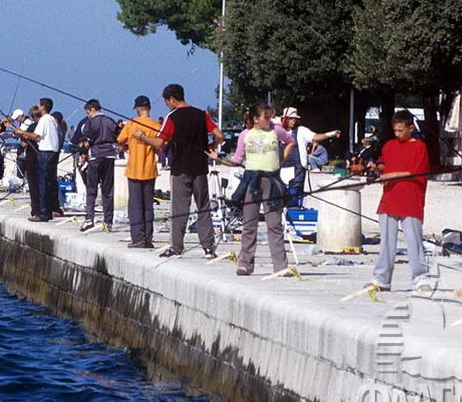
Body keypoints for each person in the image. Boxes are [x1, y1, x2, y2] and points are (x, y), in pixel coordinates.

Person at [208, 103, 294, 276]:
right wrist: (219, 159)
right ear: (256, 119)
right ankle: (245, 264)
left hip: (272, 181)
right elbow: (238, 160)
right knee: (249, 224)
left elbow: (290, 141)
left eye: (270, 117)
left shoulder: (276, 130)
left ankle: (280, 266)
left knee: (274, 225)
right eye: (266, 117)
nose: (270, 120)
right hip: (251, 181)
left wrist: (281, 160)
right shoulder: (245, 135)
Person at [132, 83, 216, 259]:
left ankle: (176, 247)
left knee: (179, 209)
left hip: (180, 169)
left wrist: (143, 137)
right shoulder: (201, 114)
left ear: (172, 99)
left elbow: (159, 142)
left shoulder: (172, 117)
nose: (167, 105)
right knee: (203, 207)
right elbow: (220, 135)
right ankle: (209, 248)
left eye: (166, 102)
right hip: (200, 167)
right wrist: (212, 146)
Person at [365, 109, 432, 293]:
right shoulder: (389, 145)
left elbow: (412, 173)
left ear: (411, 128)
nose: (397, 134)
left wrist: (388, 175)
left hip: (411, 200)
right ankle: (381, 280)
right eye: (395, 130)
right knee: (386, 242)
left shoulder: (419, 147)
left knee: (414, 241)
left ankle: (420, 277)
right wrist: (376, 167)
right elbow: (384, 164)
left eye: (401, 130)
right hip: (389, 199)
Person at [116, 95, 160, 248]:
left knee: (135, 207)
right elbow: (160, 146)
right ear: (149, 108)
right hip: (150, 169)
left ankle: (138, 238)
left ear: (138, 109)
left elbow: (120, 143)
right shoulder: (156, 125)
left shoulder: (131, 124)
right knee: (148, 206)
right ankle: (148, 238)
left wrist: (128, 146)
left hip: (134, 169)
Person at [279, 107, 341, 207]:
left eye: (295, 119)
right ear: (285, 119)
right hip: (281, 168)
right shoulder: (278, 131)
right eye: (290, 118)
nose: (293, 121)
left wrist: (330, 134)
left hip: (297, 169)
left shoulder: (301, 131)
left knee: (294, 195)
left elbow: (316, 137)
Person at [13, 98, 59, 222]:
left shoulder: (44, 119)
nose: (37, 106)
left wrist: (21, 132)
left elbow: (36, 136)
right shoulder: (52, 120)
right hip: (53, 153)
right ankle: (48, 211)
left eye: (39, 104)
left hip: (45, 153)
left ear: (43, 107)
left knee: (42, 184)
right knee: (49, 183)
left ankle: (42, 213)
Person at [79, 99, 119, 232]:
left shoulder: (90, 123)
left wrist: (83, 153)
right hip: (109, 155)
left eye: (88, 113)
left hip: (95, 156)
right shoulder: (111, 121)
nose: (88, 115)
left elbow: (86, 141)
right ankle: (108, 221)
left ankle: (89, 219)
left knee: (92, 189)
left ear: (91, 110)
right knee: (108, 190)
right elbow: (118, 136)